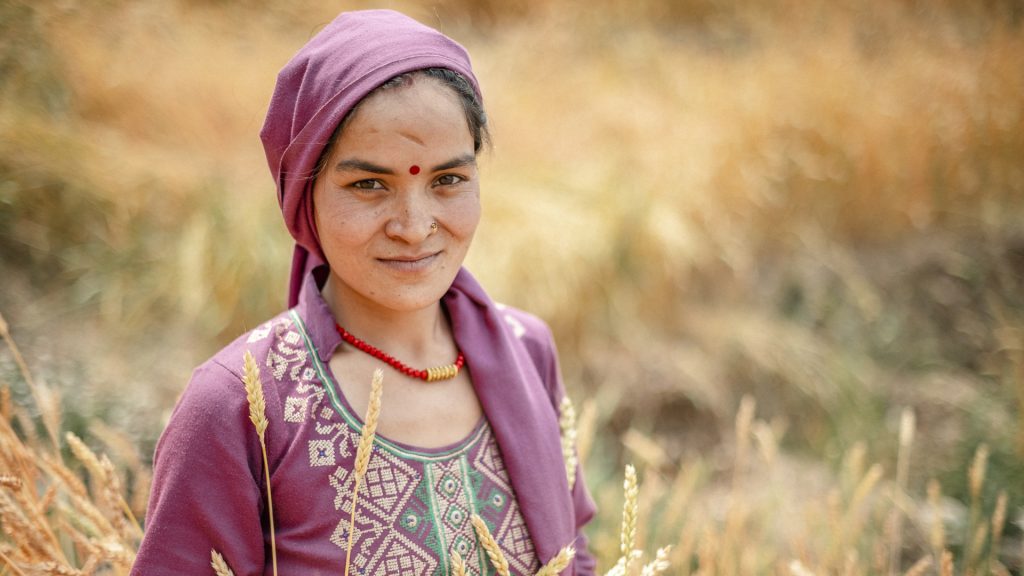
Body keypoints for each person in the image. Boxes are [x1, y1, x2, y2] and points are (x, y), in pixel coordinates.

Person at [131, 9, 596, 575]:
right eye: (369, 184)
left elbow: (575, 555)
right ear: (304, 196)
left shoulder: (526, 351)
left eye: (447, 180)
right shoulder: (240, 408)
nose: (414, 225)